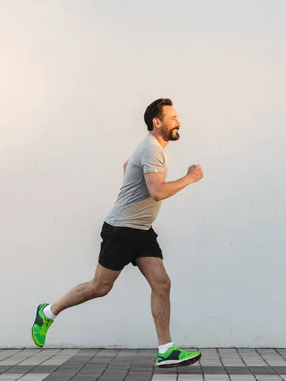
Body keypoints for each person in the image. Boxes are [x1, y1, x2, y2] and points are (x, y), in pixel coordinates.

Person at [31, 98, 204, 368]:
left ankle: (166, 350)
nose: (178, 122)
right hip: (121, 230)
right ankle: (48, 312)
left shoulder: (151, 148)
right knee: (99, 287)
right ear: (156, 122)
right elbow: (157, 192)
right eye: (173, 118)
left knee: (162, 283)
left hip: (142, 230)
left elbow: (127, 166)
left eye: (177, 117)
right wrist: (190, 178)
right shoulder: (151, 149)